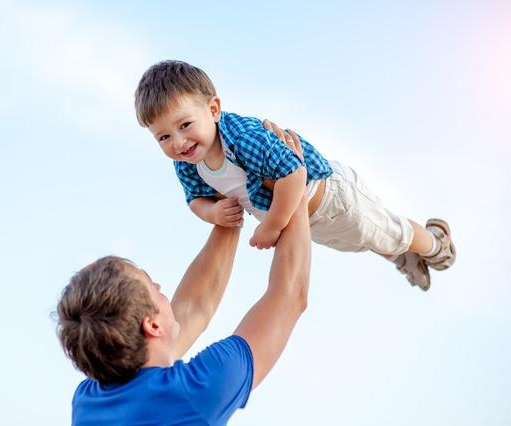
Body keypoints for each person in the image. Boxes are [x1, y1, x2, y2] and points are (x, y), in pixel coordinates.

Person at [56, 125, 311, 425]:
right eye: (153, 287)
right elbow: (289, 296)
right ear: (151, 324)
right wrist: (294, 180)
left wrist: (226, 203)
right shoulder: (195, 393)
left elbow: (193, 308)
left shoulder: (89, 402)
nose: (161, 287)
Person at [134, 59, 456, 291]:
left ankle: (434, 245)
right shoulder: (187, 163)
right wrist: (212, 211)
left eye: (185, 125)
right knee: (361, 242)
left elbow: (293, 173)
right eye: (163, 137)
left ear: (213, 110)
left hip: (332, 198)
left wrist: (272, 226)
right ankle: (404, 258)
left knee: (385, 230)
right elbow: (194, 199)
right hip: (309, 222)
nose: (178, 143)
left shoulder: (242, 138)